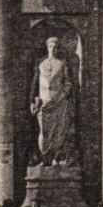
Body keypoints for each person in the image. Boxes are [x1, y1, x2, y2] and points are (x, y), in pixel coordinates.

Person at [28, 35, 77, 165]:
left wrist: (65, 93)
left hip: (59, 101)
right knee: (44, 131)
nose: (52, 49)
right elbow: (34, 84)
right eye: (50, 46)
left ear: (58, 49)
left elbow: (68, 82)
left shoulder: (62, 64)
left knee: (59, 131)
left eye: (55, 47)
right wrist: (32, 101)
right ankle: (45, 158)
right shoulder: (41, 64)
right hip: (43, 102)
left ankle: (56, 157)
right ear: (47, 47)